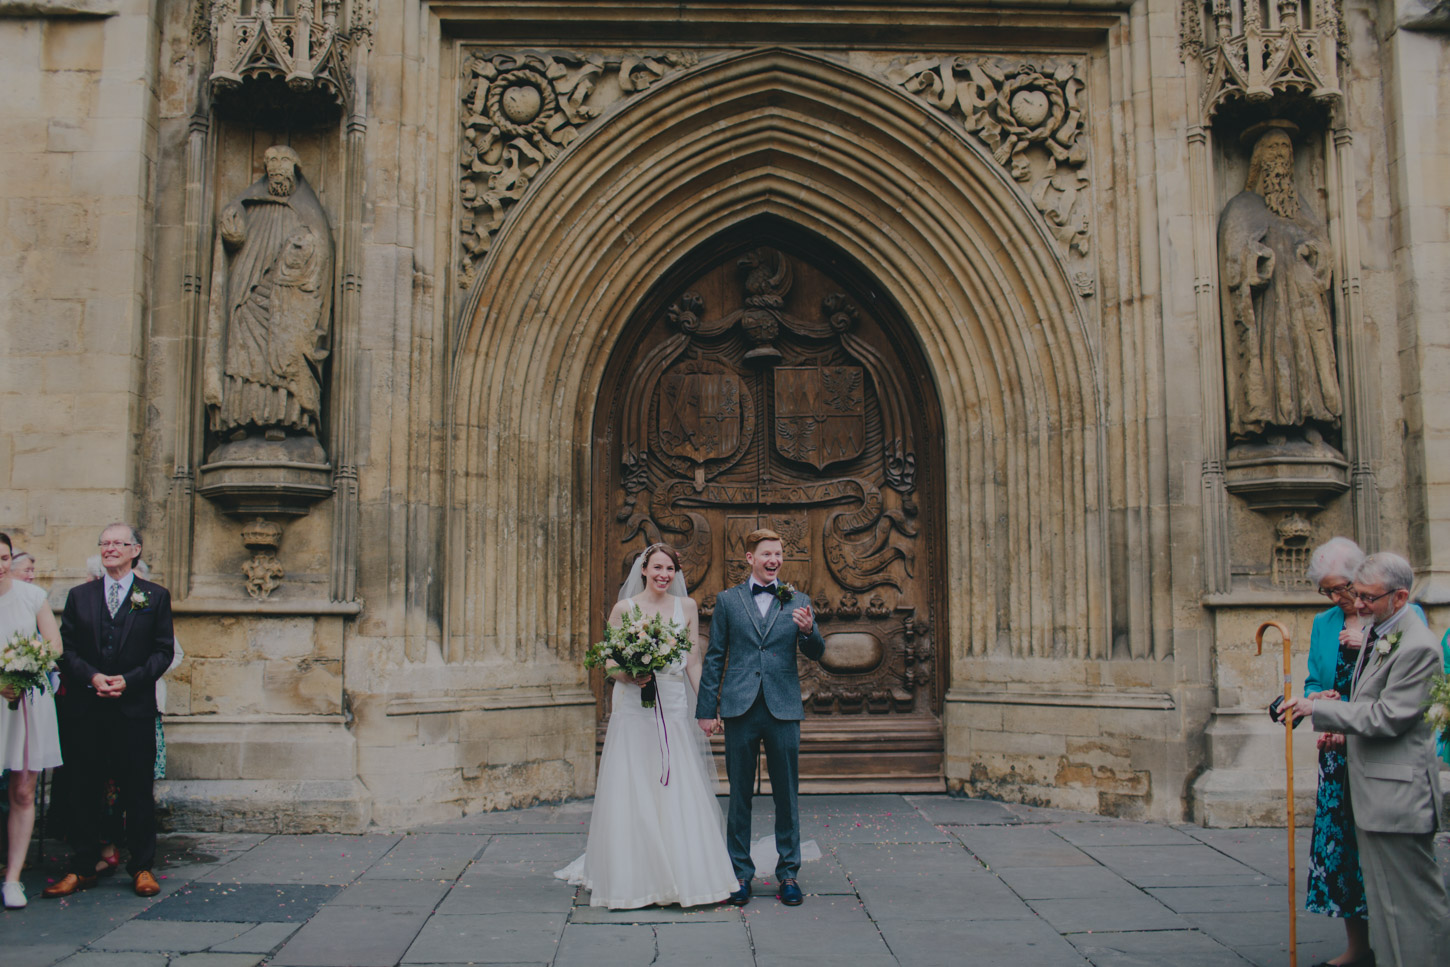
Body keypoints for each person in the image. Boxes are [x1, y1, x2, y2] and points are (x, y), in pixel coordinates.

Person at [1283, 552, 1450, 967]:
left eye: (1368, 598)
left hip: (1399, 797)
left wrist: (1315, 710)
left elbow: (1388, 716)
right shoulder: (1383, 630)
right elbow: (1370, 702)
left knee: (1414, 908)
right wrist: (1342, 734)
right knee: (1386, 906)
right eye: (1356, 595)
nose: (1358, 605)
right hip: (1376, 792)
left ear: (1400, 597)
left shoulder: (1417, 645)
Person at [555, 543, 736, 908]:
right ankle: (636, 874)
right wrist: (631, 675)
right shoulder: (625, 609)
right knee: (635, 781)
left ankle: (685, 871)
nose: (663, 575)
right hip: (635, 707)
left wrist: (708, 705)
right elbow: (608, 664)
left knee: (675, 780)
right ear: (643, 569)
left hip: (671, 704)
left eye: (669, 569)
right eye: (657, 568)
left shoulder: (685, 607)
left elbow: (693, 660)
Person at [43, 524, 174, 900]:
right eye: (105, 543)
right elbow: (66, 650)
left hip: (133, 709)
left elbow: (163, 651)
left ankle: (143, 866)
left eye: (119, 543)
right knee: (83, 787)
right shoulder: (80, 596)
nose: (110, 548)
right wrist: (93, 676)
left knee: (137, 789)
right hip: (88, 707)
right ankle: (82, 866)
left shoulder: (155, 596)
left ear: (135, 550)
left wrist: (128, 680)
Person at [695, 528, 825, 907]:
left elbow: (817, 651)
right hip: (740, 708)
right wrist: (706, 710)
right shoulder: (728, 601)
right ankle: (739, 873)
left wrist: (808, 630)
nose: (774, 560)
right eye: (767, 554)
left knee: (787, 794)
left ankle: (788, 874)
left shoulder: (798, 600)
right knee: (739, 796)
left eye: (779, 554)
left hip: (783, 709)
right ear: (750, 558)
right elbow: (716, 655)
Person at [0, 532, 64, 909]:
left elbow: (53, 645)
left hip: (23, 701)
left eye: (5, 557)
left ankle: (13, 879)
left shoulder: (32, 598)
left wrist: (26, 668)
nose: (0, 565)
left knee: (23, 791)